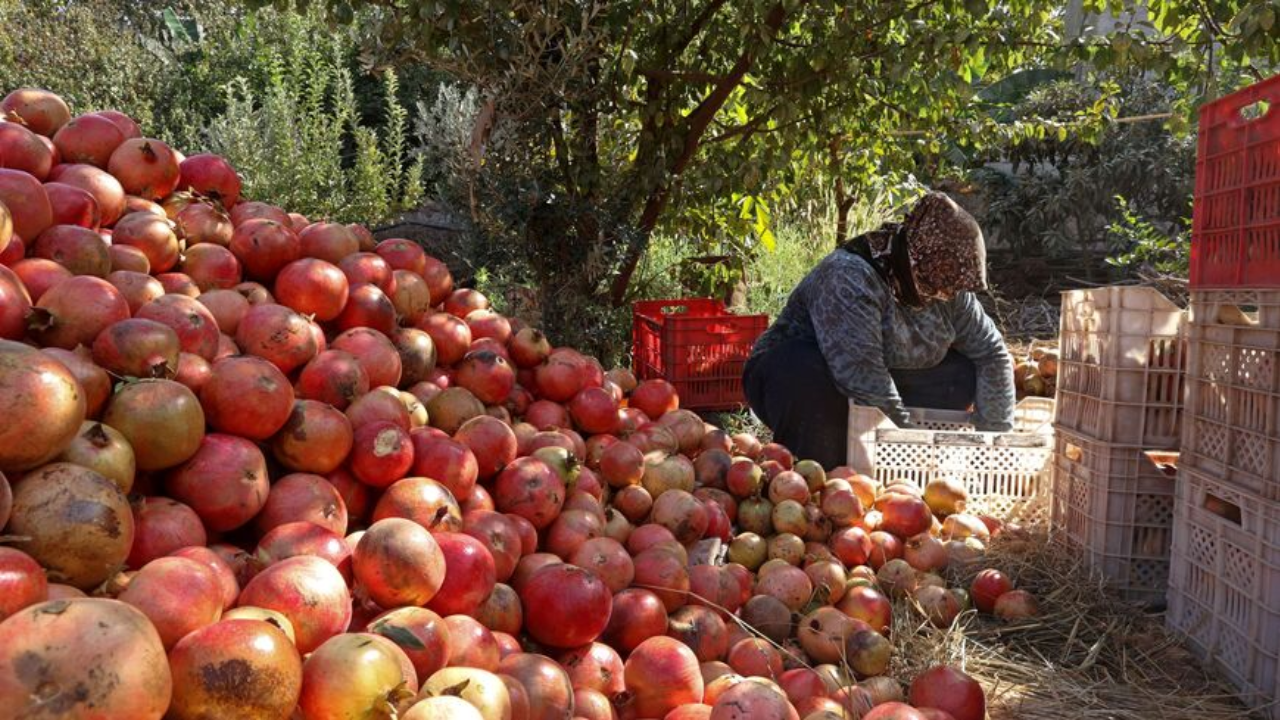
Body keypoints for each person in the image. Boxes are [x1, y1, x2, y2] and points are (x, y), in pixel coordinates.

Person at [742, 191, 1015, 469]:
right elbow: (864, 379)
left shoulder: (952, 294)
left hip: (884, 378)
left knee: (962, 372)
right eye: (943, 285)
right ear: (918, 260)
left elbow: (992, 353)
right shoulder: (849, 277)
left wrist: (995, 444)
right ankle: (817, 474)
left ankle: (880, 456)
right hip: (803, 374)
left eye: (953, 288)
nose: (948, 294)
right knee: (805, 374)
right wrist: (912, 453)